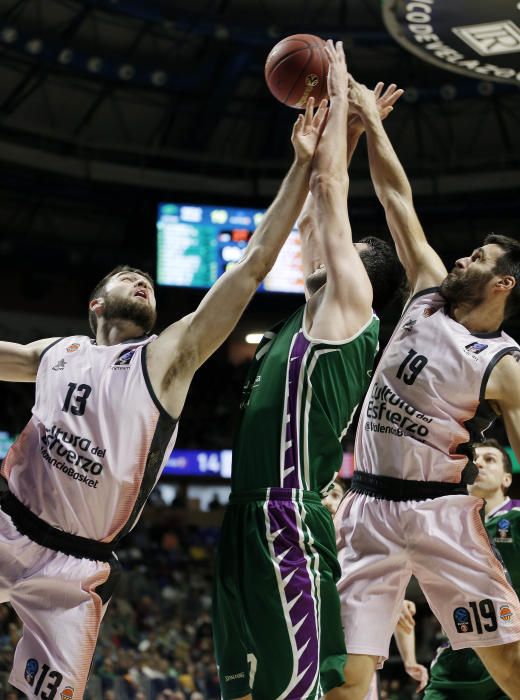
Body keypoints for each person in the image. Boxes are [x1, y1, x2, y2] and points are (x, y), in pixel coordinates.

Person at [0, 96, 329, 699]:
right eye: (127, 278)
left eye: (146, 281)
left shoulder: (166, 358)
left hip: (73, 563)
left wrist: (301, 166)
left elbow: (252, 266)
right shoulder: (56, 351)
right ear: (96, 303)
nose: (142, 281)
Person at [212, 41, 403, 700]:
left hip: (286, 514)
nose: (323, 244)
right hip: (248, 514)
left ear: (361, 268)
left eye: (345, 247)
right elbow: (320, 216)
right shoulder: (316, 309)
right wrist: (344, 132)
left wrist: (335, 89)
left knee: (294, 691)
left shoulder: (352, 309)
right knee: (245, 688)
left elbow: (328, 195)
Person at [334, 77, 520, 700]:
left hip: (439, 515)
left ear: (505, 285)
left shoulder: (501, 361)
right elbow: (395, 196)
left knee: (511, 669)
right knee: (345, 676)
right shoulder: (428, 291)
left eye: (480, 258)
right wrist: (370, 122)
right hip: (365, 509)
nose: (464, 259)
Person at [424, 439, 520, 699]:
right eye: (475, 459)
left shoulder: (517, 518)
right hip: (458, 652)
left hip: (510, 647)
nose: (479, 463)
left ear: (507, 480)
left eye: (490, 459)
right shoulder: (445, 526)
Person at [323, 479, 428, 699]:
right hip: (312, 652)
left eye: (336, 495)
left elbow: (400, 611)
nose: (329, 502)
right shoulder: (301, 547)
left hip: (354, 658)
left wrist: (410, 662)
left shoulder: (361, 550)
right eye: (324, 494)